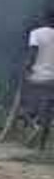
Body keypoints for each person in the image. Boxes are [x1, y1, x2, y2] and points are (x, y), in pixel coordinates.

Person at [23, 8, 54, 149]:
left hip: (37, 78)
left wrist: (26, 70)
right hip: (52, 80)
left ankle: (35, 127)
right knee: (47, 113)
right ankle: (41, 146)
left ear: (43, 18)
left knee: (28, 109)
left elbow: (32, 54)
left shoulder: (35, 33)